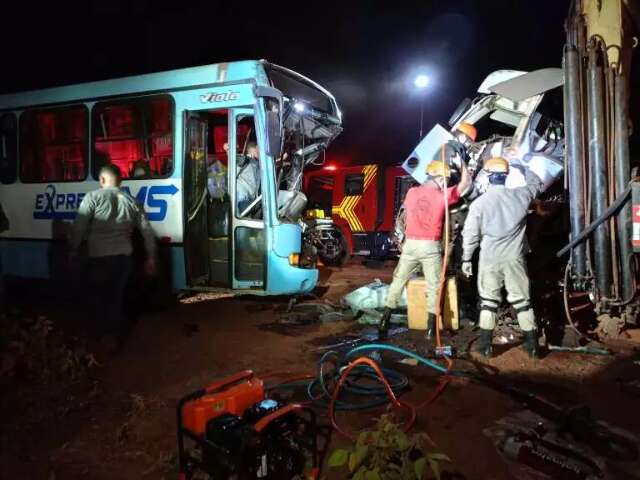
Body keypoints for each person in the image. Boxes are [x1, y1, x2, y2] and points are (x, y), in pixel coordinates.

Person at [379, 156, 471, 339]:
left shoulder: (411, 192)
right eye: (445, 180)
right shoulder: (442, 196)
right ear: (441, 179)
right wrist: (462, 163)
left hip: (411, 245)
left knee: (398, 281)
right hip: (430, 246)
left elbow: (404, 214)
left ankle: (384, 320)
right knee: (434, 286)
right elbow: (466, 184)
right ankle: (430, 329)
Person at [460, 157, 543, 359]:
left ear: (488, 177)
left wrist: (466, 259)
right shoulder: (521, 196)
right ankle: (532, 347)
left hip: (490, 259)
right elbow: (536, 183)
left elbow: (470, 235)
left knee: (488, 302)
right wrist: (522, 166)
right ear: (506, 176)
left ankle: (486, 346)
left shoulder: (479, 204)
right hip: (514, 258)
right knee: (523, 301)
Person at [69, 164, 157, 351]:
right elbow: (147, 232)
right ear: (121, 180)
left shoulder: (92, 197)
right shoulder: (132, 201)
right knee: (116, 297)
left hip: (99, 258)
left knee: (99, 298)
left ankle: (104, 337)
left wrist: (73, 250)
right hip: (123, 259)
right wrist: (150, 258)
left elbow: (78, 228)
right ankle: (114, 336)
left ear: (101, 180)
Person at [236, 141, 260, 215]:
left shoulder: (257, 163)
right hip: (243, 197)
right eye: (259, 149)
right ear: (256, 148)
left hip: (252, 198)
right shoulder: (243, 159)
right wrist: (240, 164)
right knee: (245, 218)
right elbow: (232, 174)